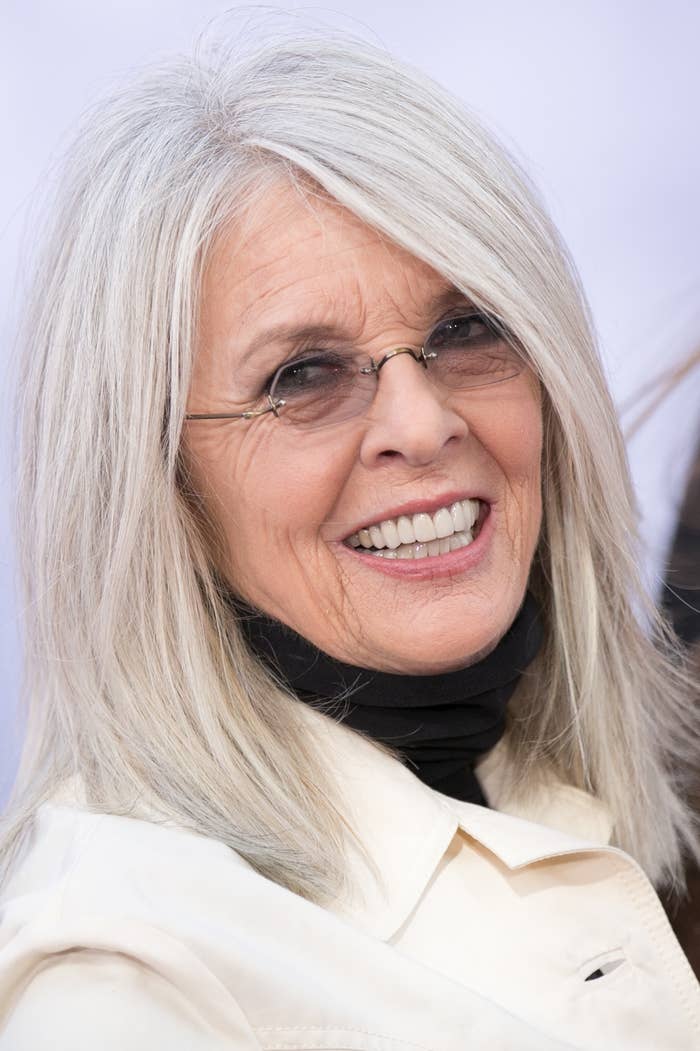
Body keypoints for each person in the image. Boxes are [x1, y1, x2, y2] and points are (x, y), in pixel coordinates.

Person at [0, 27, 699, 1050]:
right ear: (159, 488)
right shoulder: (128, 990)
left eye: (467, 328)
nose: (422, 423)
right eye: (301, 375)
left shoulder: (621, 790)